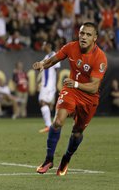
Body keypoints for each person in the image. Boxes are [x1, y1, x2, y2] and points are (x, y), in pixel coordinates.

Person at [33, 22, 107, 176]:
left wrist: (77, 83)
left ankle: (66, 159)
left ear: (95, 38)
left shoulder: (100, 58)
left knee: (77, 132)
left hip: (89, 98)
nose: (84, 37)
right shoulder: (70, 47)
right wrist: (42, 64)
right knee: (58, 121)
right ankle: (48, 159)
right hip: (71, 90)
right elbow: (54, 59)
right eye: (81, 33)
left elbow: (94, 87)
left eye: (88, 34)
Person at [38, 41, 61, 133]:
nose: (42, 47)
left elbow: (57, 71)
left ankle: (49, 125)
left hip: (49, 85)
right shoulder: (46, 57)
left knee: (43, 102)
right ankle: (50, 125)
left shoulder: (53, 55)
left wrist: (55, 84)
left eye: (44, 45)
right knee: (43, 103)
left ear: (48, 45)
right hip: (45, 84)